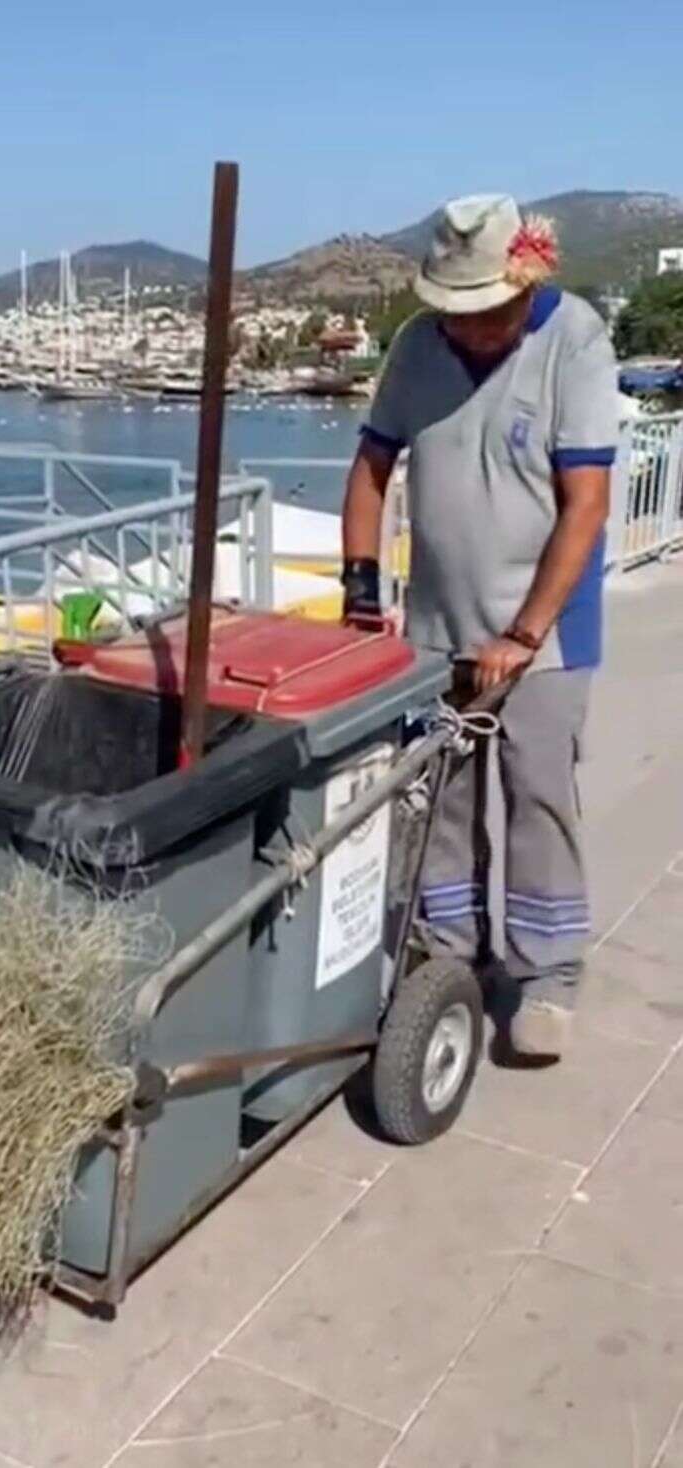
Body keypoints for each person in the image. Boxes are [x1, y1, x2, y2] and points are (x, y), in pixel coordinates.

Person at [342, 194, 618, 1060]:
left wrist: (525, 634)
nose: (467, 330)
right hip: (435, 627)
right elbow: (372, 466)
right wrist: (360, 594)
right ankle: (450, 954)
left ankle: (547, 975)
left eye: (484, 314)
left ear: (524, 283)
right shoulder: (418, 350)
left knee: (537, 797)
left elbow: (587, 505)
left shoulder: (574, 339)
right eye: (453, 314)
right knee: (441, 804)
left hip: (546, 636)